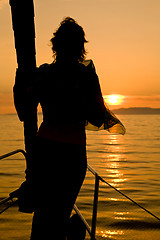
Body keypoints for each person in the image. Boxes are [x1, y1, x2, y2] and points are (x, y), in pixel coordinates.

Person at [14, 17, 125, 239]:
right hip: (72, 154)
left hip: (45, 151)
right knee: (61, 210)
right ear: (80, 48)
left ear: (55, 46)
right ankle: (72, 230)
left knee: (43, 216)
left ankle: (69, 230)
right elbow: (95, 115)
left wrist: (22, 83)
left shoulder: (43, 74)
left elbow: (24, 112)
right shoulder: (86, 76)